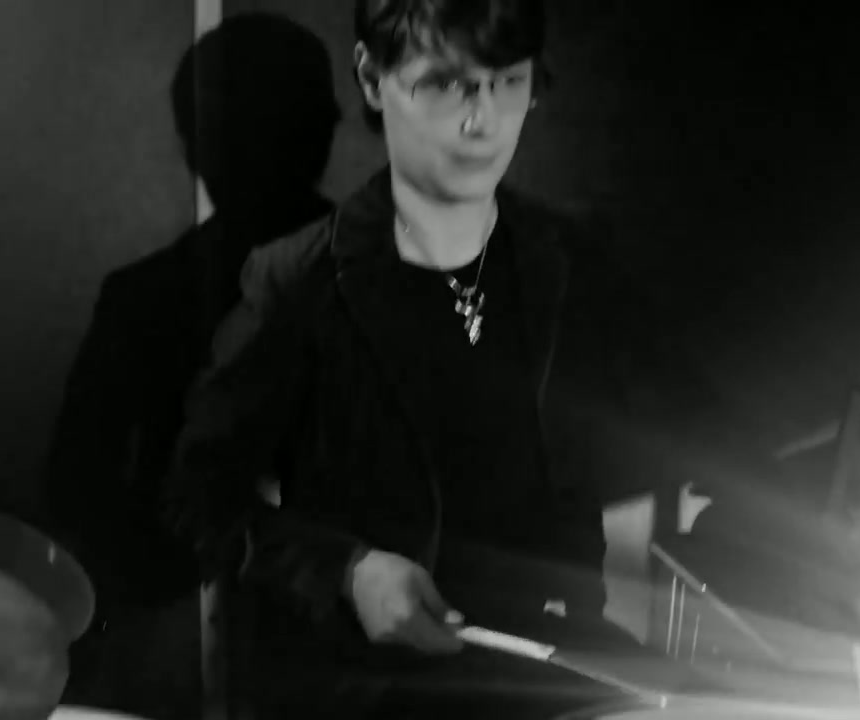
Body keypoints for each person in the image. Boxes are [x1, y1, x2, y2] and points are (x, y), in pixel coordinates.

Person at [163, 1, 659, 717]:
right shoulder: (298, 279)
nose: (482, 121)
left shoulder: (571, 261)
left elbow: (665, 454)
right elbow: (196, 499)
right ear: (372, 78)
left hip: (557, 683)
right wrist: (348, 571)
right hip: (371, 696)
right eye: (445, 83)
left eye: (508, 82)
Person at [43, 14, 339, 719]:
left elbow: (74, 483)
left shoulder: (144, 296)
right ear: (324, 128)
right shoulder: (407, 287)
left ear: (191, 148)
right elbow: (75, 483)